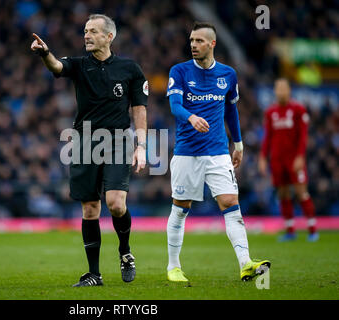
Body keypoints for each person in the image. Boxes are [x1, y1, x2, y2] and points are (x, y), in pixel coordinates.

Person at [31, 14, 148, 287]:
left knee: (116, 204)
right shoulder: (80, 65)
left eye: (93, 31)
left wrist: (141, 145)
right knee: (90, 209)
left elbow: (139, 109)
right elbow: (57, 67)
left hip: (118, 140)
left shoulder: (130, 69)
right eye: (85, 30)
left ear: (109, 37)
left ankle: (125, 252)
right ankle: (94, 274)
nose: (86, 35)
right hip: (84, 142)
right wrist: (45, 53)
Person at [165, 22, 270, 282]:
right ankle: (173, 267)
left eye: (199, 40)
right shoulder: (179, 71)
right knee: (180, 207)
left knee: (231, 205)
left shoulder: (228, 74)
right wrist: (190, 117)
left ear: (212, 44)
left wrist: (239, 143)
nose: (193, 44)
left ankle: (246, 263)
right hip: (187, 153)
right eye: (191, 40)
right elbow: (175, 106)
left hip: (218, 152)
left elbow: (231, 110)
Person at [258, 78, 318, 242]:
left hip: (294, 159)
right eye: (278, 89)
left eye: (284, 88)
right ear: (275, 91)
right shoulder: (270, 112)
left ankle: (313, 229)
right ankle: (290, 230)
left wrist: (300, 156)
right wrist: (263, 158)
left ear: (289, 90)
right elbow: (267, 137)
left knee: (301, 192)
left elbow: (303, 136)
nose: (281, 92)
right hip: (277, 160)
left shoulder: (298, 109)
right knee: (283, 193)